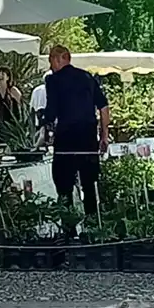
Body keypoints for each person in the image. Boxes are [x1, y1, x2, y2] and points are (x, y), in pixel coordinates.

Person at [44, 44, 109, 217]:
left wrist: (45, 121)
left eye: (51, 60)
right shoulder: (87, 77)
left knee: (64, 185)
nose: (51, 66)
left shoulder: (53, 80)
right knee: (90, 184)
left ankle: (68, 225)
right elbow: (103, 107)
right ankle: (93, 222)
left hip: (66, 138)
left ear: (59, 59)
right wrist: (104, 135)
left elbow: (51, 111)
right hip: (88, 137)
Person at [0, 66, 23, 136]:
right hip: (0, 120)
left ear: (8, 77)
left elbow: (22, 105)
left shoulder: (13, 90)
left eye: (3, 74)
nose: (0, 76)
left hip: (13, 121)